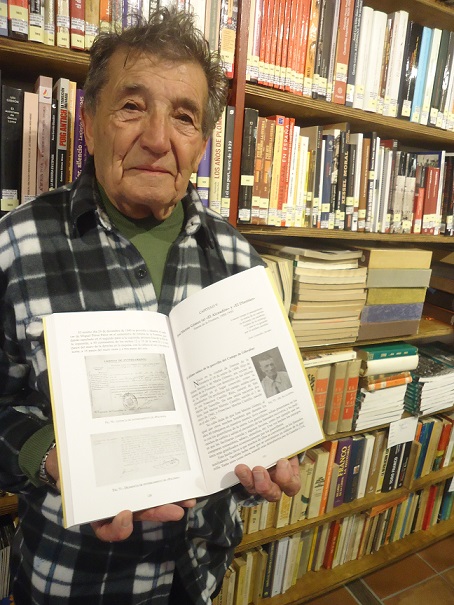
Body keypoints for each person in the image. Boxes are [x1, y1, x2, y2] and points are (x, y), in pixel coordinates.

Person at [0, 7, 301, 605]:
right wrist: (56, 458)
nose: (159, 139)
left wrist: (272, 444)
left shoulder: (239, 259)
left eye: (184, 117)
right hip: (73, 580)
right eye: (133, 106)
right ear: (88, 122)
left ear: (202, 145)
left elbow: (266, 386)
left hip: (197, 575)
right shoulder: (16, 245)